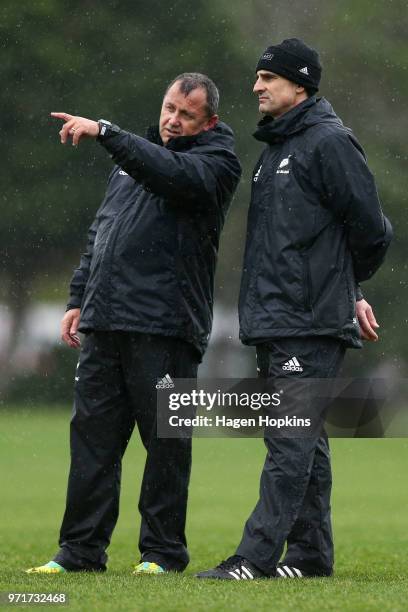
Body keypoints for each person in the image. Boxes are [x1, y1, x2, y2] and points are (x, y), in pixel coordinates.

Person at [26, 73, 241, 575]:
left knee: (166, 447)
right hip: (106, 321)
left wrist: (106, 132)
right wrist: (79, 297)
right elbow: (102, 230)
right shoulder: (133, 160)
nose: (172, 119)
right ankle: (78, 552)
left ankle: (162, 554)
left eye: (186, 115)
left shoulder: (214, 164)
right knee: (92, 443)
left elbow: (170, 173)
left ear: (209, 121)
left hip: (165, 328)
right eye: (169, 107)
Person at [196, 39, 392, 580]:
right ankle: (309, 559)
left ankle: (252, 560)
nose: (256, 86)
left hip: (311, 323)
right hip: (278, 321)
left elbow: (372, 230)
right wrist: (344, 287)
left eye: (268, 78)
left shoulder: (328, 143)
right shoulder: (276, 151)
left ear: (299, 85)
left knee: (288, 439)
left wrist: (344, 288)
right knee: (306, 440)